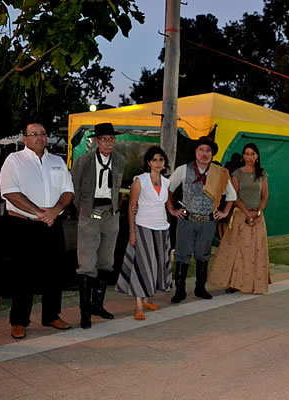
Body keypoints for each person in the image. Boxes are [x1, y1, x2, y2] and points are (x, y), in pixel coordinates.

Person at [0, 122, 74, 339]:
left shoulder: (57, 161)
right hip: (23, 225)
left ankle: (51, 315)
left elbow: (69, 191)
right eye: (34, 134)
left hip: (52, 224)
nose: (39, 138)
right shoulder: (14, 161)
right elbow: (10, 193)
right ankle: (19, 321)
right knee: (23, 274)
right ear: (25, 138)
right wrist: (39, 213)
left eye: (43, 134)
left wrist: (56, 210)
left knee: (54, 272)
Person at [166, 136, 236, 303]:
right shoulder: (183, 169)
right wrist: (172, 209)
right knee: (182, 255)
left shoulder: (219, 173)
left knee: (203, 255)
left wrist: (224, 212)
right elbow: (167, 189)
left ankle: (200, 288)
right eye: (201, 150)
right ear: (195, 152)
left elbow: (232, 195)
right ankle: (180, 290)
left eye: (208, 151)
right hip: (186, 219)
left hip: (207, 221)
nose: (204, 154)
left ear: (212, 154)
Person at [71, 123, 125, 329]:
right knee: (86, 264)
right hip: (89, 215)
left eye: (111, 139)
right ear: (96, 141)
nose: (108, 143)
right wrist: (83, 212)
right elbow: (74, 189)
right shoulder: (83, 161)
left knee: (106, 262)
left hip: (110, 216)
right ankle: (85, 312)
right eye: (104, 139)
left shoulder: (119, 160)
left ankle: (97, 305)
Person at [115, 146, 172, 320]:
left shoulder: (166, 182)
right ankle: (138, 305)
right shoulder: (140, 180)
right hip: (143, 226)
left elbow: (167, 204)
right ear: (148, 162)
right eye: (154, 159)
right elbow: (132, 208)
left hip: (162, 228)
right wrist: (132, 232)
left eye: (161, 159)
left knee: (156, 264)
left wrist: (175, 211)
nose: (158, 163)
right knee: (142, 265)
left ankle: (147, 299)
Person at [208, 143, 270, 294]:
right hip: (241, 215)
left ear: (257, 156)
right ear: (243, 156)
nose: (249, 157)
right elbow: (234, 196)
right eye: (247, 153)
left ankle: (254, 282)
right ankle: (233, 282)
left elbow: (265, 196)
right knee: (238, 249)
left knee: (255, 250)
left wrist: (258, 214)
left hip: (257, 217)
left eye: (252, 154)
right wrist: (247, 213)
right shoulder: (237, 174)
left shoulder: (262, 174)